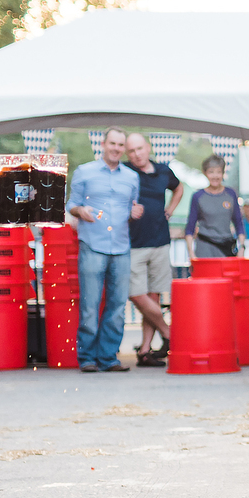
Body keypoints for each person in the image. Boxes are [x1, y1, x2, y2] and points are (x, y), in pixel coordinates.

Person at [68, 127, 141, 372]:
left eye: (121, 145)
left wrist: (134, 213)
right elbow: (72, 205)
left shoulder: (132, 177)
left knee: (118, 306)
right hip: (92, 245)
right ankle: (87, 357)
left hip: (121, 247)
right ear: (103, 143)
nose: (117, 149)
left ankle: (109, 357)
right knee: (90, 304)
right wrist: (81, 211)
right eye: (113, 143)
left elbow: (131, 209)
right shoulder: (84, 172)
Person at [124, 133, 182, 362]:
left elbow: (179, 188)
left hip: (159, 241)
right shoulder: (125, 172)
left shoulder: (163, 171)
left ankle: (145, 350)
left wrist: (170, 209)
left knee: (153, 297)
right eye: (132, 150)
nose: (136, 154)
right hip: (133, 243)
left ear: (148, 148)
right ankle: (169, 333)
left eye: (139, 148)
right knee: (136, 294)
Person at [184, 155, 245, 260]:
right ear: (205, 173)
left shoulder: (230, 194)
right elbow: (190, 227)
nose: (215, 176)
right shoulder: (198, 196)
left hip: (226, 246)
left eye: (218, 172)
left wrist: (242, 248)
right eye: (211, 172)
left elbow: (238, 223)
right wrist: (191, 253)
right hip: (205, 246)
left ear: (223, 173)